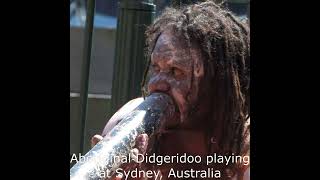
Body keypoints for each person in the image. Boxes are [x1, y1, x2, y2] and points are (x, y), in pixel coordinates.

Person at [91, 1, 250, 179]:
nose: (157, 83)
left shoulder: (241, 146)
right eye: (156, 68)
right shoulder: (128, 126)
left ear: (218, 82)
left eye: (176, 72)